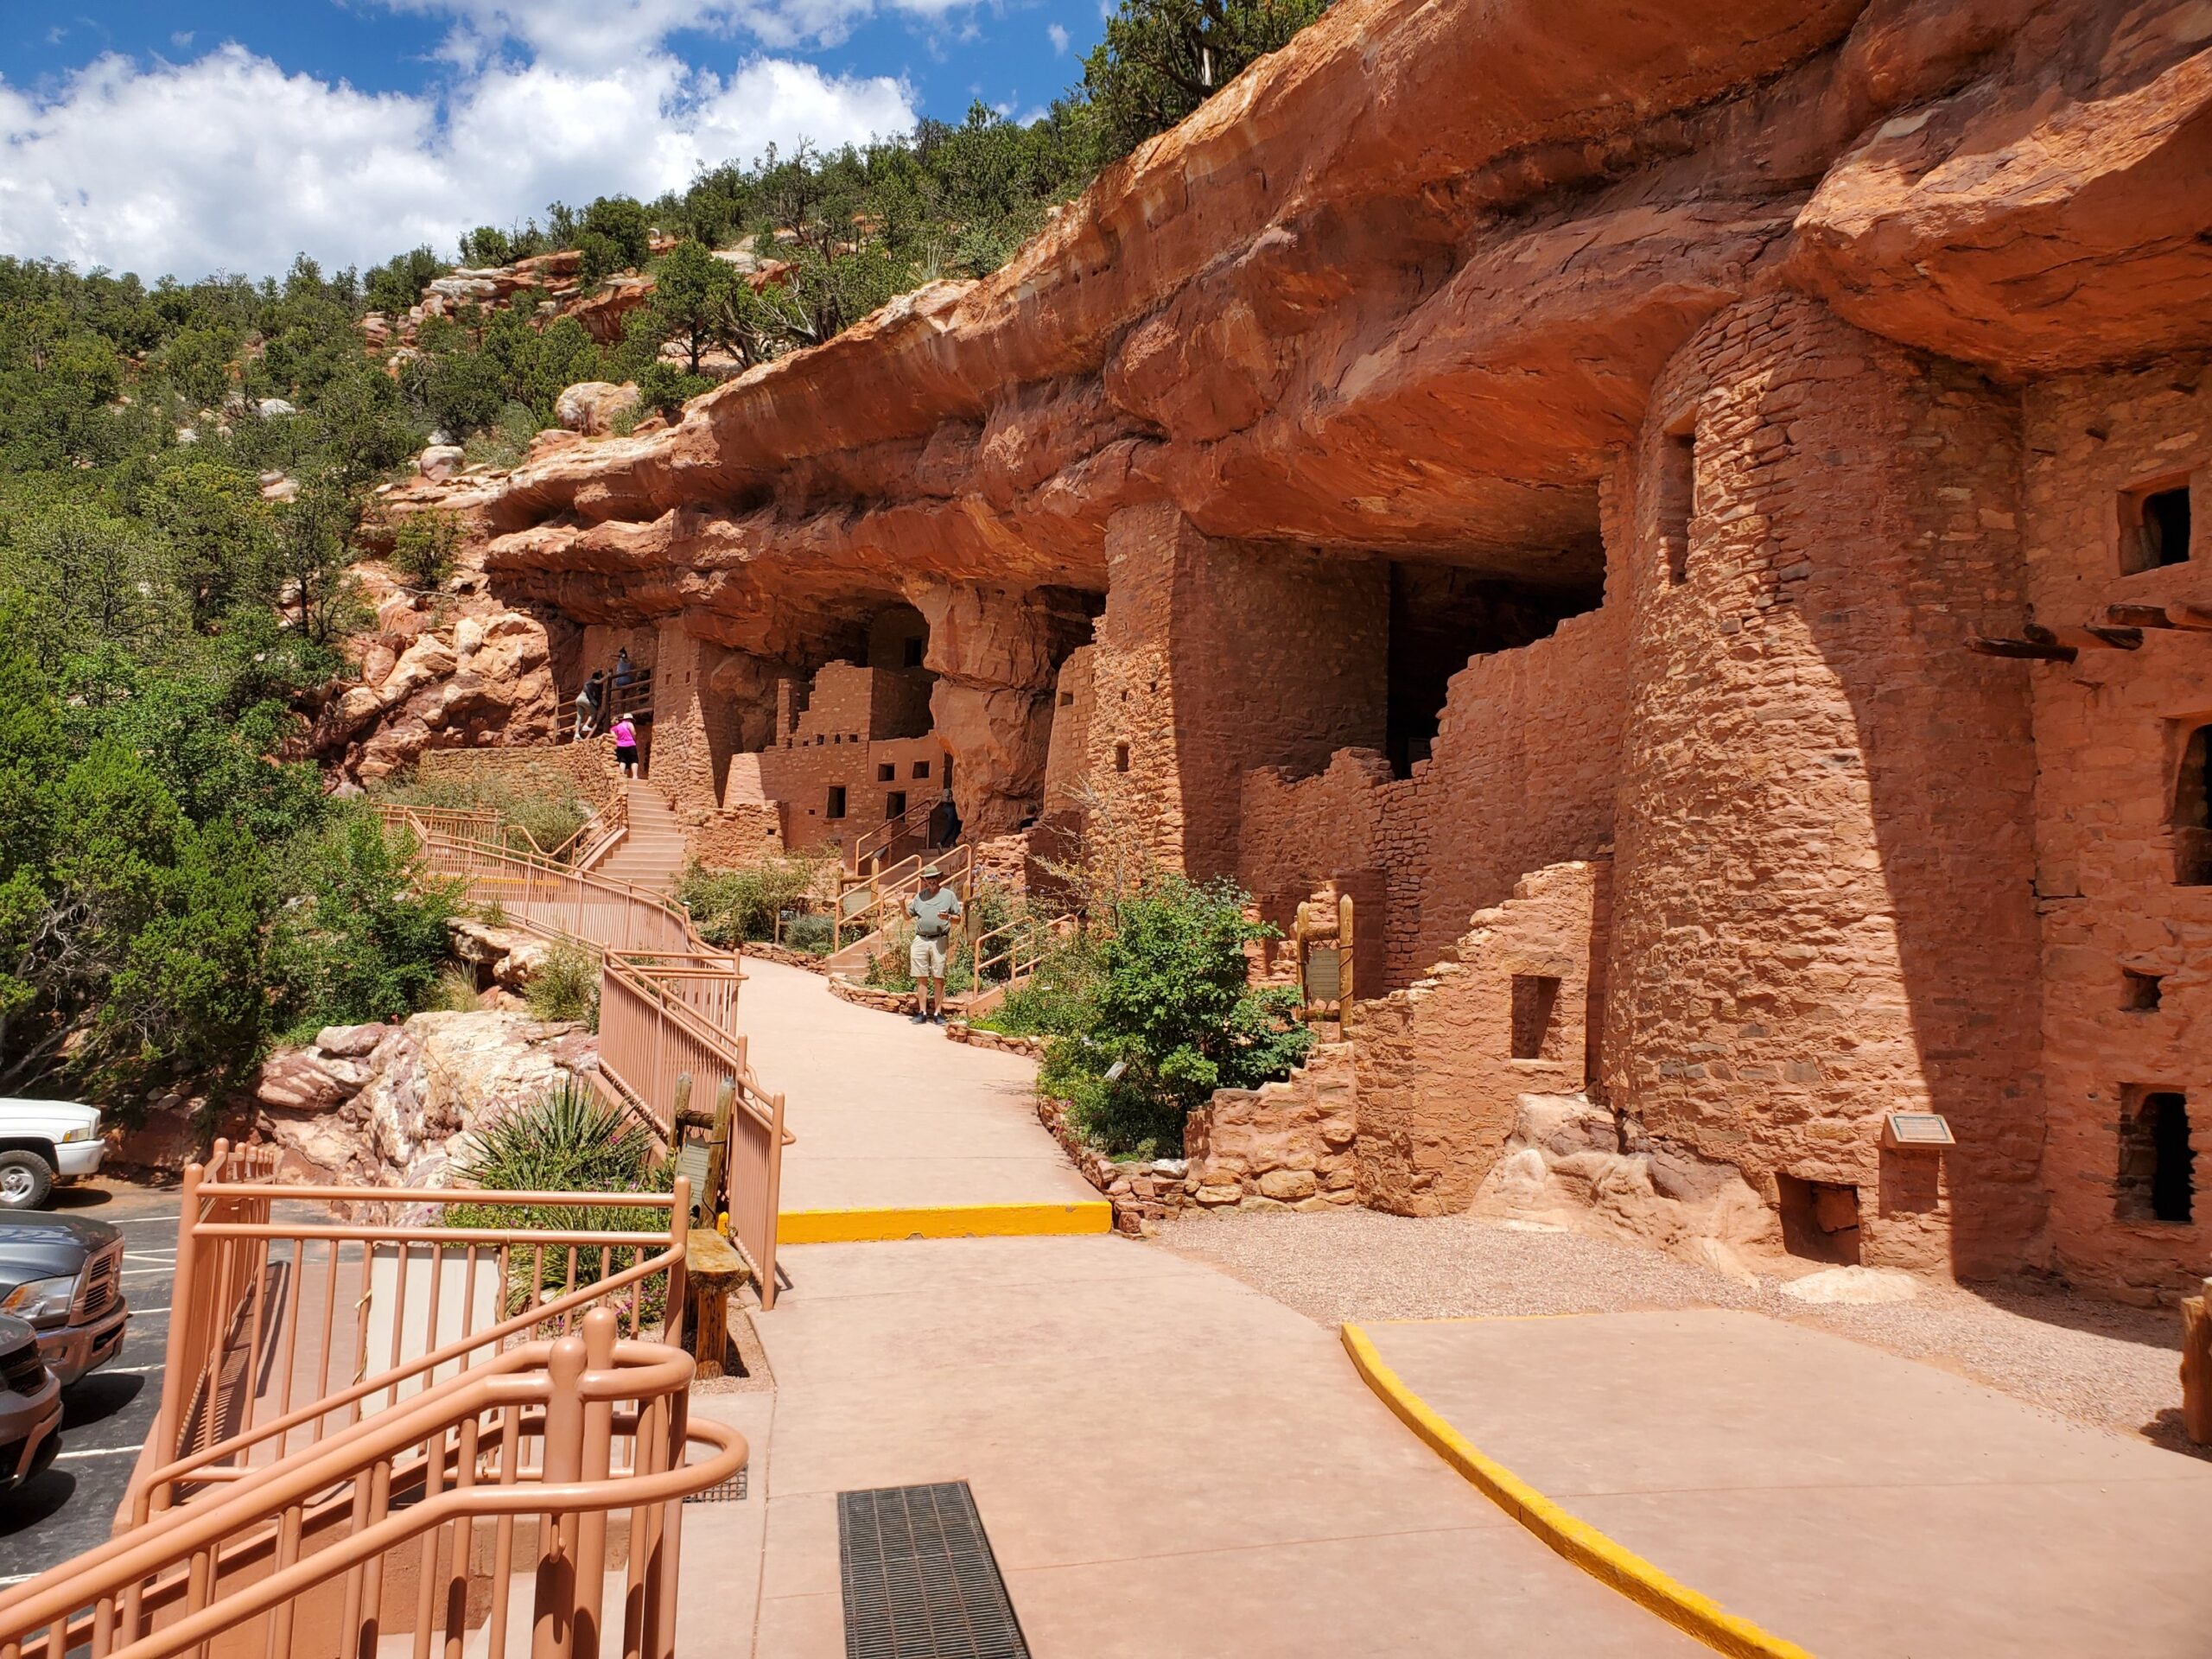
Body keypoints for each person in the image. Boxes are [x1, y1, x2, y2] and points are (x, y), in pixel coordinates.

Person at [906, 865, 963, 1025]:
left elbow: (958, 919)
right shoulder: (920, 897)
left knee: (938, 977)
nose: (931, 881)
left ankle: (938, 1013)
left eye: (934, 878)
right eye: (928, 879)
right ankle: (922, 1012)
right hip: (921, 939)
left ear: (939, 879)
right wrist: (901, 903)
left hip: (939, 939)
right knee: (921, 977)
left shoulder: (948, 896)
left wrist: (948, 918)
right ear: (924, 881)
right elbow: (906, 917)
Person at [926, 785, 961, 850]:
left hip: (946, 808)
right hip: (952, 808)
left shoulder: (947, 791)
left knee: (957, 825)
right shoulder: (956, 789)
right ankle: (942, 843)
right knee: (952, 826)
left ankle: (952, 843)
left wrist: (934, 807)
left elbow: (941, 799)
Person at [573, 671, 603, 741]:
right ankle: (586, 726)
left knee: (579, 717)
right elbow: (600, 681)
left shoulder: (587, 683)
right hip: (584, 699)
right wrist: (608, 676)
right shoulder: (592, 680)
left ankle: (576, 734)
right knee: (593, 713)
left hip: (578, 699)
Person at [610, 712, 640, 779]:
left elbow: (615, 736)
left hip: (620, 745)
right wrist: (634, 739)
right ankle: (635, 776)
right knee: (634, 760)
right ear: (630, 719)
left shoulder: (618, 726)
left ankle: (622, 775)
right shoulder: (629, 724)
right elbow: (634, 733)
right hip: (630, 744)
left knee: (622, 760)